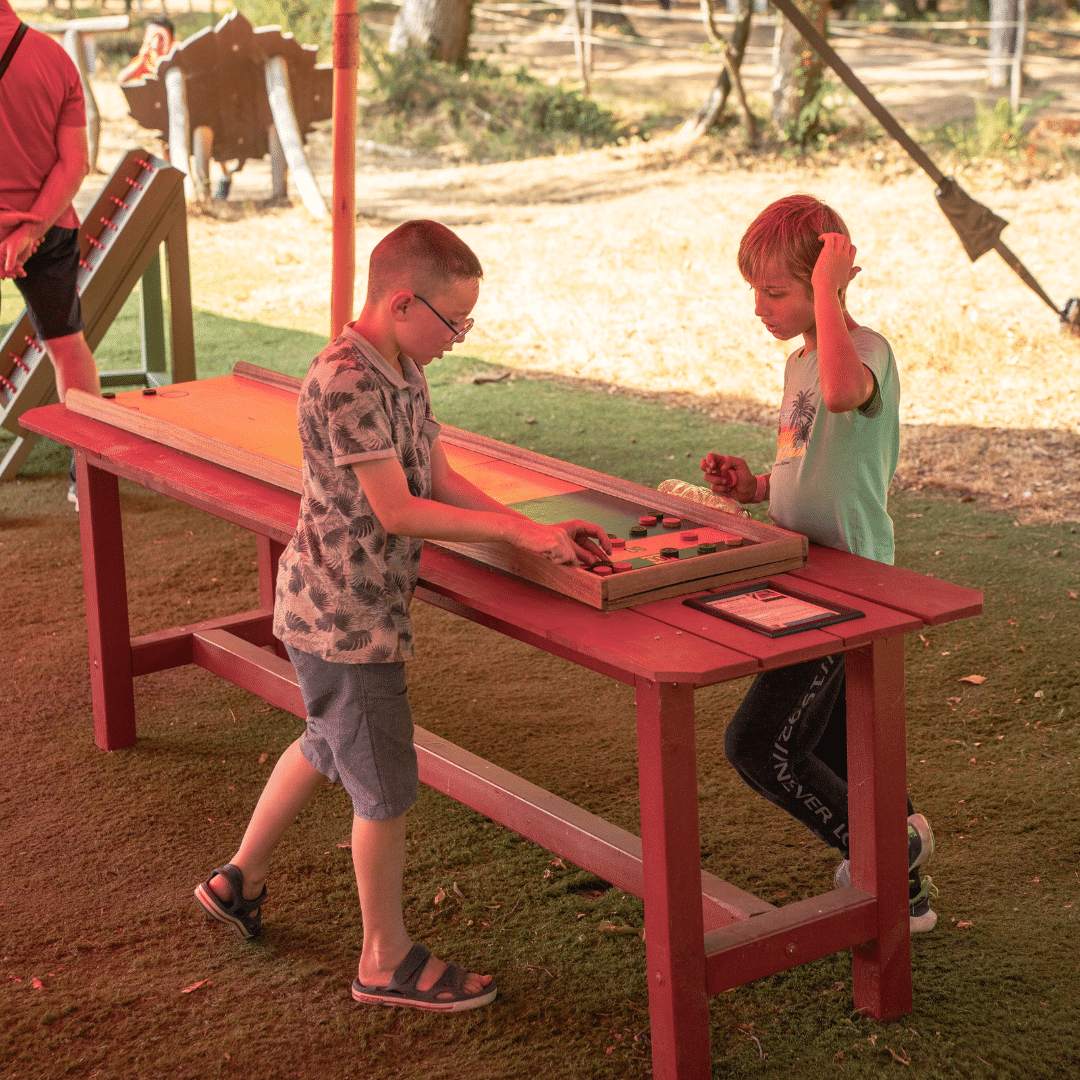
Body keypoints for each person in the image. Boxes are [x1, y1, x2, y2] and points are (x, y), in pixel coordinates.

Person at [194, 220, 612, 1010]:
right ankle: (383, 960)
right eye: (456, 322)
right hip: (344, 623)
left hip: (339, 612)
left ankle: (236, 879)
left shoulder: (402, 367)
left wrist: (536, 533)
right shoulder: (346, 379)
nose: (462, 337)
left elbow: (440, 477)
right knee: (383, 792)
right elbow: (397, 510)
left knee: (324, 741)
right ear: (401, 301)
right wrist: (517, 532)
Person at [701, 194, 938, 932]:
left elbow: (843, 396)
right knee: (836, 740)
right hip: (802, 573)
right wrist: (755, 486)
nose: (760, 307)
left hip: (854, 583)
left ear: (828, 285)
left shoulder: (861, 351)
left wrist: (832, 295)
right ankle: (905, 863)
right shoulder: (801, 359)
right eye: (756, 292)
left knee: (761, 746)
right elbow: (808, 458)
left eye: (775, 292)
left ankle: (888, 866)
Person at [0, 2, 98, 509]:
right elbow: (75, 162)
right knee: (67, 348)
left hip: (38, 228)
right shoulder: (55, 58)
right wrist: (31, 228)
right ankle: (88, 476)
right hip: (49, 226)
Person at [118, 17, 175, 85]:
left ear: (172, 40)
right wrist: (140, 62)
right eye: (152, 37)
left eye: (161, 38)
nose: (156, 43)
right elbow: (121, 80)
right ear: (145, 39)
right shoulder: (145, 59)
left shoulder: (175, 58)